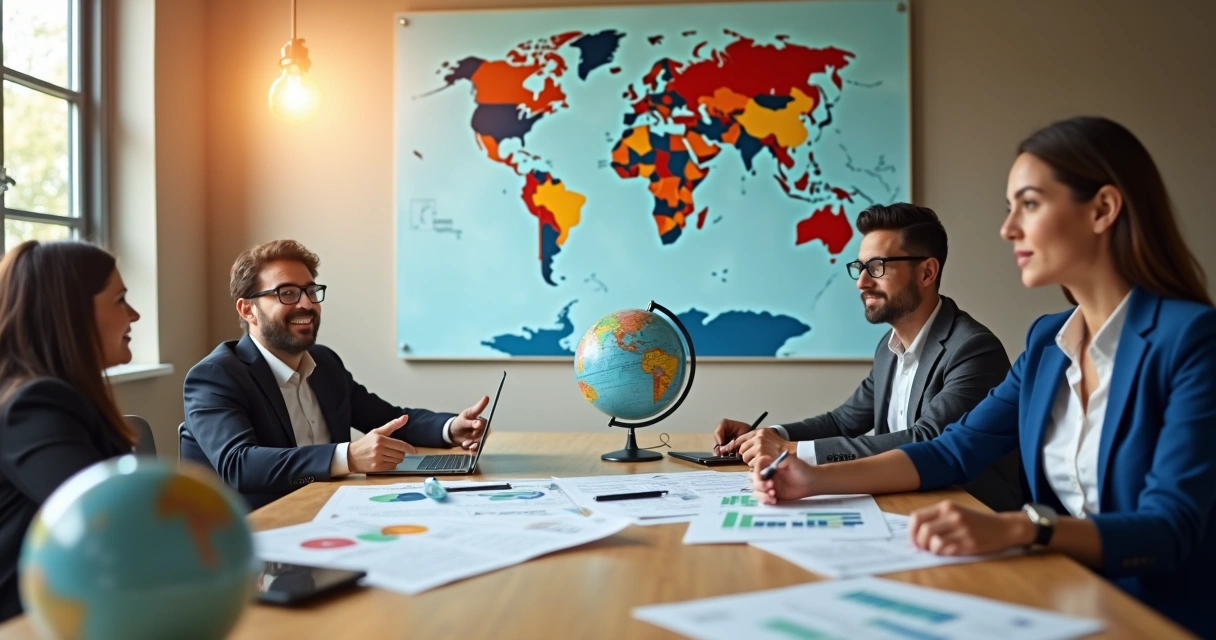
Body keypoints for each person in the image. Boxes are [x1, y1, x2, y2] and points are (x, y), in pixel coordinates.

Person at [751, 117, 1216, 638]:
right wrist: (813, 480)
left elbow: (1171, 528)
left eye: (1029, 204)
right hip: (1055, 593)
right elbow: (953, 449)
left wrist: (1020, 529)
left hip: (1154, 617)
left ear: (1103, 209)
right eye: (1009, 207)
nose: (1008, 228)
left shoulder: (1193, 339)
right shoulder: (1047, 342)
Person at [715, 203, 1022, 511]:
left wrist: (793, 450)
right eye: (860, 267)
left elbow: (927, 439)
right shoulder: (888, 348)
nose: (862, 282)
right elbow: (842, 421)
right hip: (908, 504)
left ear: (927, 272)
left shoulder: (973, 349)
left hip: (972, 511)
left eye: (877, 267)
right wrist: (769, 435)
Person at [181, 240, 489, 510]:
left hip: (330, 512)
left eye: (310, 291)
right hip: (254, 535)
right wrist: (349, 457)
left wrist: (451, 428)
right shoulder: (216, 376)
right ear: (247, 310)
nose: (306, 304)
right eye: (287, 293)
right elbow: (239, 465)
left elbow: (391, 419)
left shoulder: (325, 363)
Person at [0, 241, 142, 623]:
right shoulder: (34, 404)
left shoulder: (56, 395)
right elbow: (104, 520)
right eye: (120, 300)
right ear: (72, 312)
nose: (135, 314)